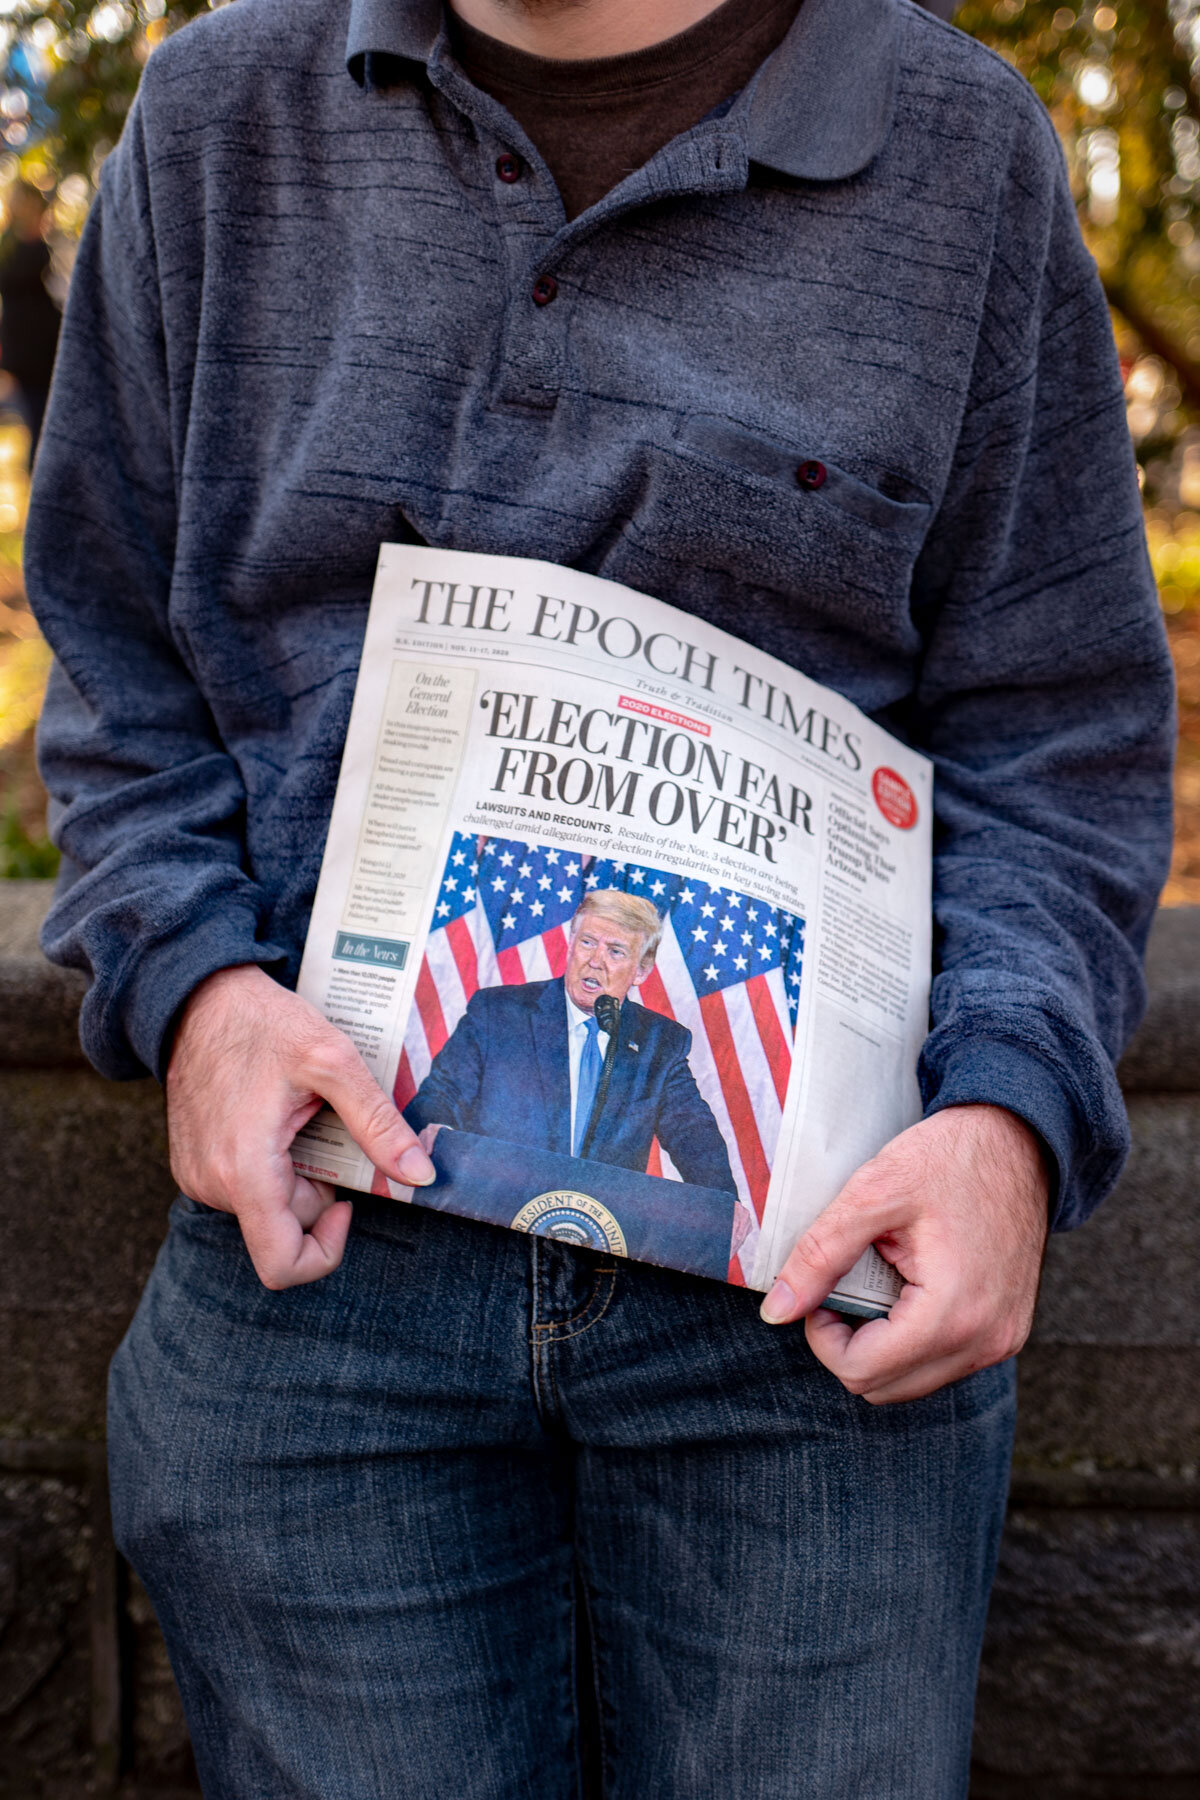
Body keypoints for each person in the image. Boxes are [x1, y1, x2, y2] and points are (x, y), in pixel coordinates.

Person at [26, 0, 1174, 1794]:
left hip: (809, 1311)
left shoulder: (963, 149)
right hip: (319, 1270)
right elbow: (112, 671)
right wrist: (190, 990)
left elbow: (1059, 741)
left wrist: (1015, 1125)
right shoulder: (214, 122)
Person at [407, 889, 738, 1191]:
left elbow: (693, 1134)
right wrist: (437, 1128)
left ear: (641, 971)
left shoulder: (660, 1042)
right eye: (588, 942)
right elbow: (442, 1094)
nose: (595, 961)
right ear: (571, 942)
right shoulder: (498, 1012)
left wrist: (723, 1203)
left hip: (598, 1229)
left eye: (616, 951)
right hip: (495, 1204)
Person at [0, 180, 60, 467]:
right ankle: (41, 478)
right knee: (40, 420)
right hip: (31, 352)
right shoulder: (17, 248)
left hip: (42, 348)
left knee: (44, 418)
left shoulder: (31, 246)